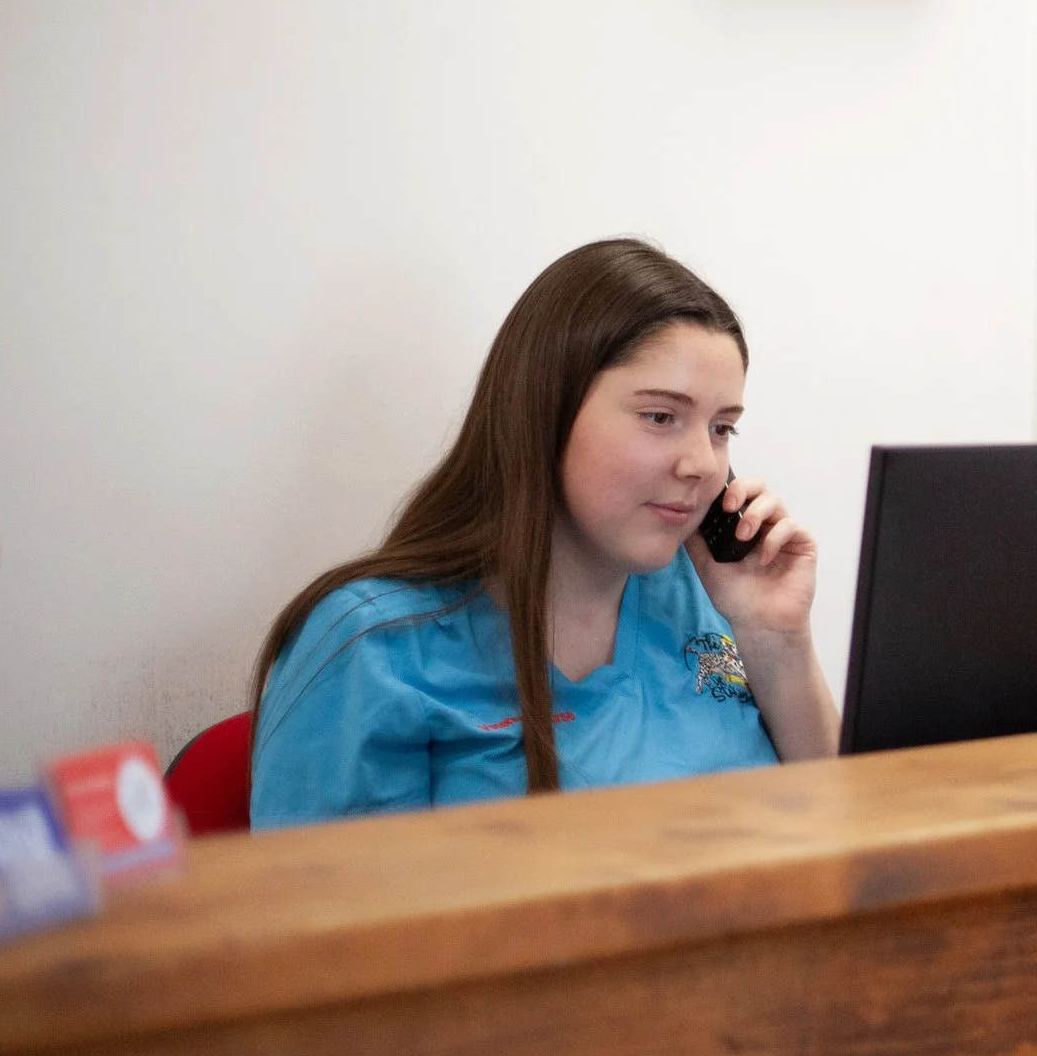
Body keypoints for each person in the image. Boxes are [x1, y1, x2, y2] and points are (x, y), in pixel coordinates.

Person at [249, 239, 839, 828]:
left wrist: (776, 640)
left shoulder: (712, 592)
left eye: (720, 428)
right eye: (661, 417)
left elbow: (843, 826)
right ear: (545, 411)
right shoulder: (373, 646)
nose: (703, 464)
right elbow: (327, 912)